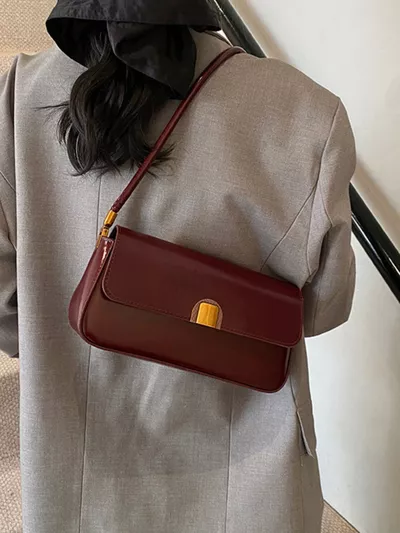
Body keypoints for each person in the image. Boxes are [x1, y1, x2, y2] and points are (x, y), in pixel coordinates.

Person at [0, 1, 356, 532]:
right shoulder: (308, 112)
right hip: (248, 465)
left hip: (78, 457)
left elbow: (5, 302)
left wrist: (64, 340)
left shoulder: (19, 94)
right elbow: (324, 308)